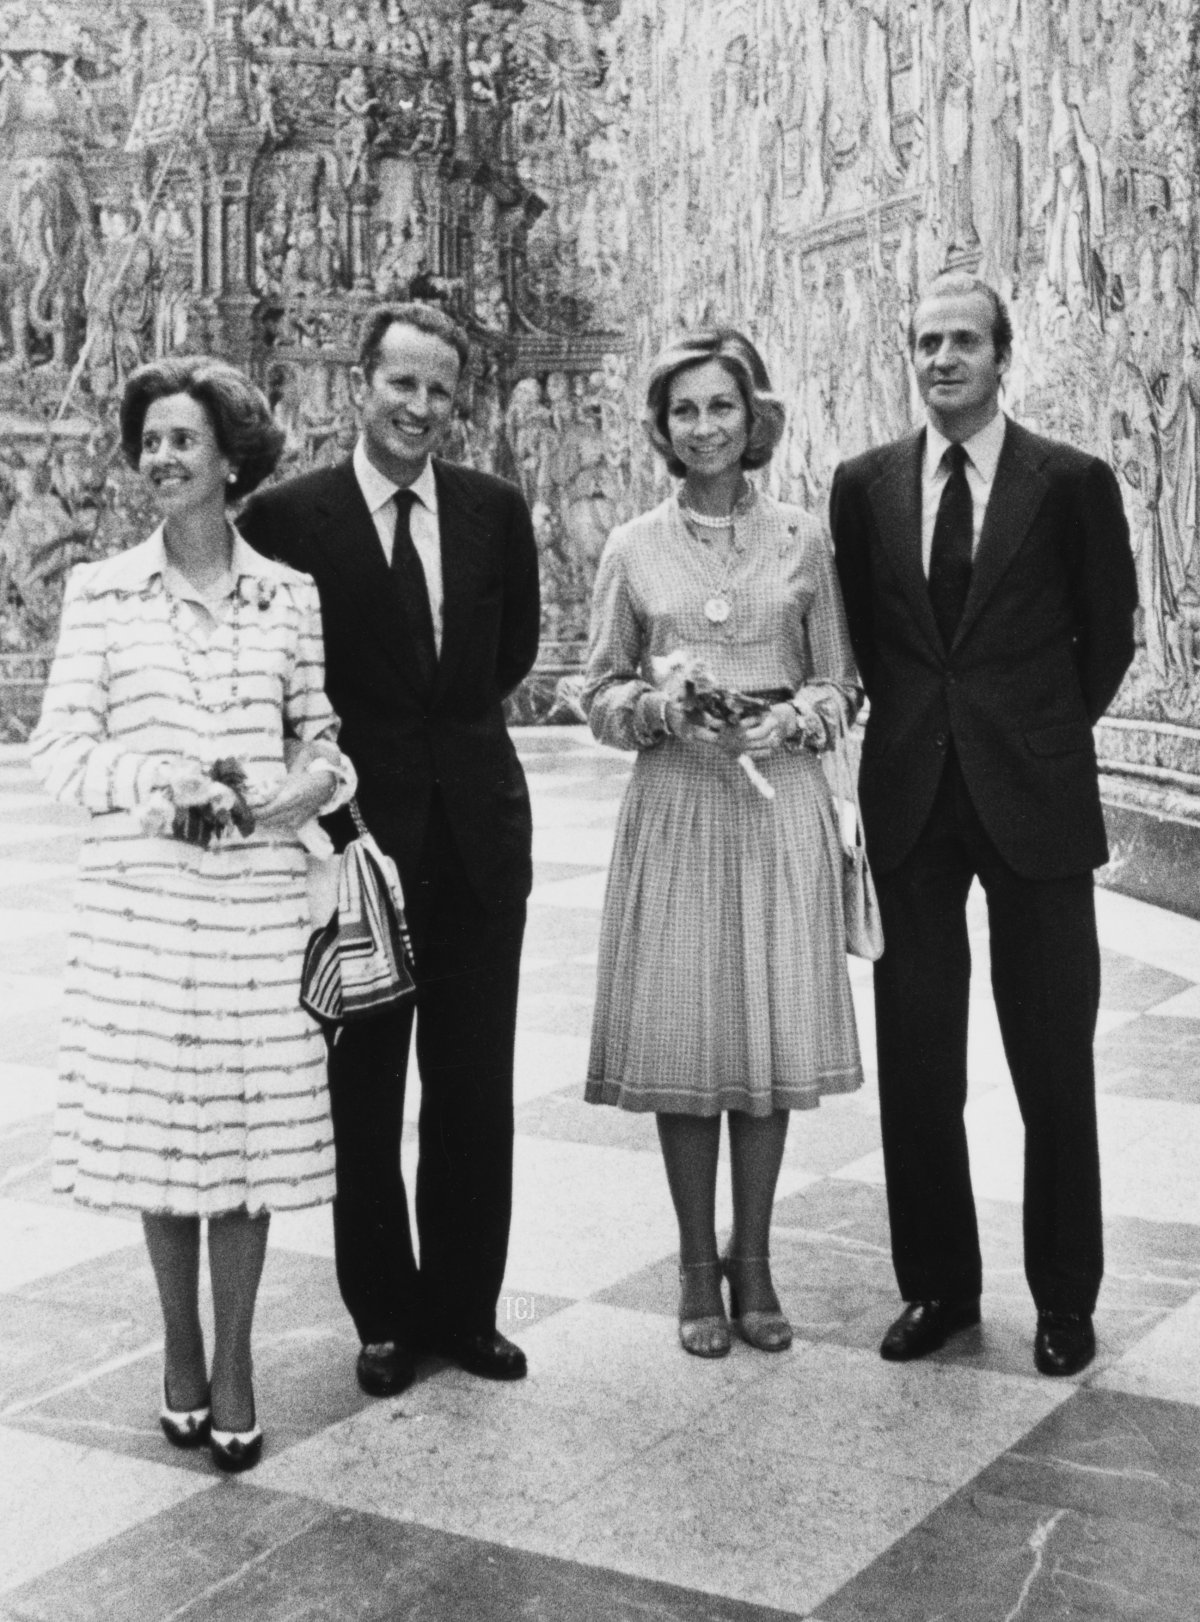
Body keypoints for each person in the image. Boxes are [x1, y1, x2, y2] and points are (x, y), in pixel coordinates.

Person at [30, 356, 354, 1471]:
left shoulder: (288, 595)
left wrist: (312, 781)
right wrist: (159, 786)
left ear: (231, 458)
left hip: (258, 904)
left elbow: (320, 730)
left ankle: (237, 1363)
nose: (161, 458)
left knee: (251, 1141)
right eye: (150, 441)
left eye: (183, 440)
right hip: (146, 909)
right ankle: (178, 1348)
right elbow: (60, 747)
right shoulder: (101, 592)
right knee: (160, 1139)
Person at [830, 272, 1138, 1377]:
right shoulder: (863, 485)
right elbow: (869, 633)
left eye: (964, 341)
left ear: (1003, 355)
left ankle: (1064, 1296)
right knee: (920, 1060)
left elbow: (1108, 636)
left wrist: (1034, 730)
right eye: (926, 342)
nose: (943, 359)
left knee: (1052, 1055)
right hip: (912, 794)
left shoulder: (1070, 481)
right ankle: (940, 1287)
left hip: (1035, 799)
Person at [239, 302, 539, 1393]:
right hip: (356, 849)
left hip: (476, 841)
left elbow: (508, 654)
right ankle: (385, 1312)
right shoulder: (286, 518)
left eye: (441, 391)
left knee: (472, 1086)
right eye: (401, 384)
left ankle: (467, 1307)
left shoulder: (495, 509)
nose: (420, 408)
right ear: (359, 384)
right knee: (364, 1091)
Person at [584, 329, 863, 1358]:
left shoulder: (802, 539)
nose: (705, 427)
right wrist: (653, 706)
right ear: (664, 428)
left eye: (723, 408)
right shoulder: (632, 546)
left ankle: (757, 1260)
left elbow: (842, 677)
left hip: (774, 799)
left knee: (767, 1032)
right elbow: (595, 685)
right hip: (677, 803)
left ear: (756, 421)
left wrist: (794, 721)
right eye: (686, 410)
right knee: (688, 1031)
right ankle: (697, 1263)